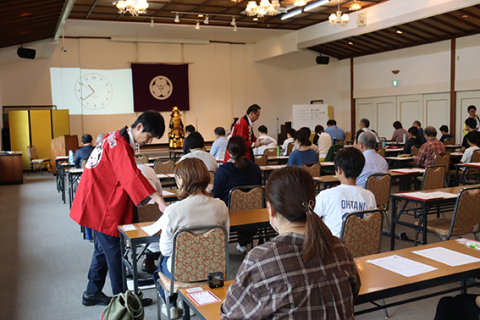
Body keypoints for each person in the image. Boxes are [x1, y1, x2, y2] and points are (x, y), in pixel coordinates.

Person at [220, 166, 361, 320]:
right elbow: (354, 292)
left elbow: (230, 314)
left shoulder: (261, 260)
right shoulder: (340, 248)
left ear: (270, 209)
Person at [70, 111, 168, 307]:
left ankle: (92, 292)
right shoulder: (120, 145)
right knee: (115, 253)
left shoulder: (115, 137)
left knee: (101, 250)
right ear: (139, 127)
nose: (148, 141)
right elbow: (131, 177)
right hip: (102, 205)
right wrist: (158, 199)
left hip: (96, 199)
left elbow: (129, 174)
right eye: (148, 137)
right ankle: (124, 300)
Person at [155, 158, 229, 319]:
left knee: (161, 263)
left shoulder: (172, 211)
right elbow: (224, 241)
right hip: (214, 269)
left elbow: (166, 250)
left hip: (182, 272)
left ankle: (172, 303)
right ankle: (189, 301)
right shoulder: (221, 206)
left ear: (180, 180)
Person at [213, 136, 262, 253]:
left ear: (228, 151)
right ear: (245, 150)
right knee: (245, 204)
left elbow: (217, 195)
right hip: (254, 212)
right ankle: (244, 242)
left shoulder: (222, 170)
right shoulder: (255, 168)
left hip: (229, 212)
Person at [314, 148, 376, 237]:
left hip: (334, 247)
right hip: (361, 247)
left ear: (339, 170)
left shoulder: (326, 195)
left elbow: (310, 220)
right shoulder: (369, 196)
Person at [136, 163, 165, 274]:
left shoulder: (119, 171)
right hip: (154, 219)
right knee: (160, 224)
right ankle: (149, 260)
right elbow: (160, 193)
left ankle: (126, 266)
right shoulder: (149, 170)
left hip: (132, 218)